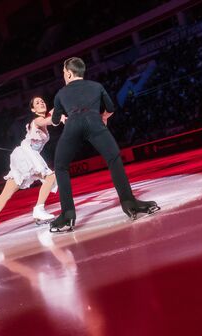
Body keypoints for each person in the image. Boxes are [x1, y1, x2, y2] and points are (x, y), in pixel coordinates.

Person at [50, 57, 159, 232]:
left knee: (61, 167)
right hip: (95, 122)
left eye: (63, 73)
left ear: (69, 73)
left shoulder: (61, 93)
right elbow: (110, 108)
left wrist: (62, 117)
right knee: (114, 159)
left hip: (73, 125)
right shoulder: (96, 86)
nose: (64, 76)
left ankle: (67, 215)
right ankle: (129, 203)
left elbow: (55, 121)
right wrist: (103, 118)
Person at [0, 96, 64, 240]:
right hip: (27, 156)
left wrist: (63, 103)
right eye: (37, 103)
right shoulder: (37, 121)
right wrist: (60, 117)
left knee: (6, 193)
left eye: (42, 101)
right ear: (33, 109)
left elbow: (54, 111)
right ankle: (39, 210)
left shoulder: (43, 118)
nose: (41, 103)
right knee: (51, 176)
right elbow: (49, 120)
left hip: (23, 156)